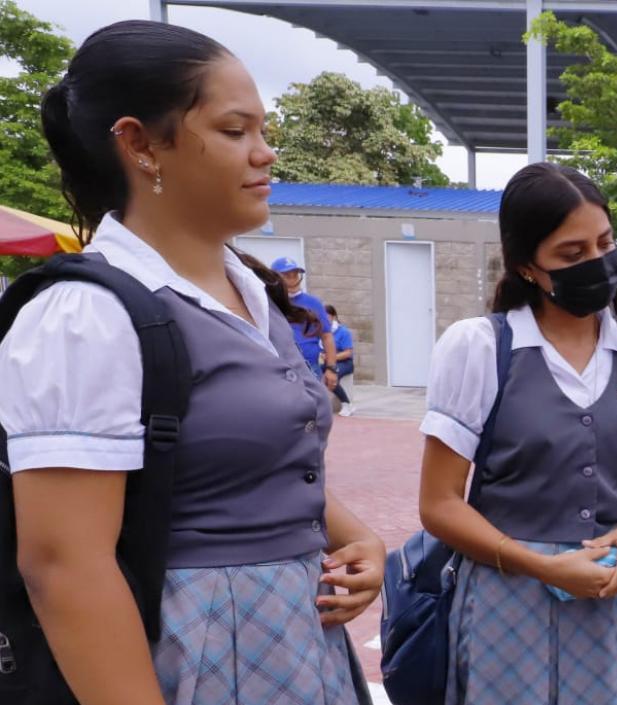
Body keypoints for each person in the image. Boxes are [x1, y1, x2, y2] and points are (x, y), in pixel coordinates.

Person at [0, 21, 383, 704]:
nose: (265, 154)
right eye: (235, 131)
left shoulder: (251, 293)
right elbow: (63, 566)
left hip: (298, 644)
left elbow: (247, 457)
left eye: (264, 132)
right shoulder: (87, 315)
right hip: (194, 652)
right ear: (140, 144)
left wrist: (357, 537)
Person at [417, 163, 617, 705]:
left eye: (605, 243)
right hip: (505, 600)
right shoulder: (479, 348)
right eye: (571, 254)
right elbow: (439, 504)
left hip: (607, 599)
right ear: (527, 268)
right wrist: (542, 566)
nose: (597, 262)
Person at [273, 256, 338, 390]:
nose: (292, 280)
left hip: (310, 367)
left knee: (316, 408)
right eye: (286, 276)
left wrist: (331, 368)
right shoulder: (268, 303)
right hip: (279, 369)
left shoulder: (313, 303)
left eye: (295, 275)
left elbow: (327, 336)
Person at [326, 303, 356, 417]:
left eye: (326, 316)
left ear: (333, 316)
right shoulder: (322, 331)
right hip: (328, 362)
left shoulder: (343, 331)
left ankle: (347, 404)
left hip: (345, 362)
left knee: (332, 377)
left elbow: (348, 352)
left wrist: (331, 357)